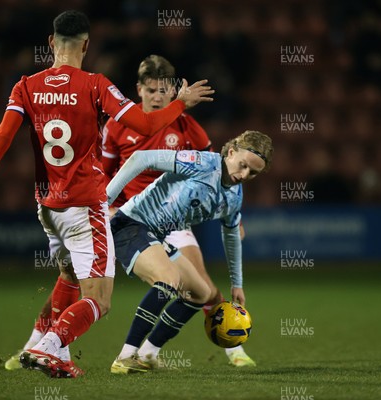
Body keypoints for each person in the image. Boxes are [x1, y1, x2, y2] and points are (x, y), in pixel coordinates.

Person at [0, 10, 213, 378]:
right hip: (84, 206)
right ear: (87, 46)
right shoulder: (95, 85)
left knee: (69, 277)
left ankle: (34, 344)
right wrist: (181, 102)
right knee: (100, 299)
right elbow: (146, 123)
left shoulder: (25, 85)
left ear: (50, 43)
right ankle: (52, 347)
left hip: (47, 208)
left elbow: (2, 136)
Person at [3, 54, 255, 370]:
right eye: (151, 91)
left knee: (203, 290)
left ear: (172, 90)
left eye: (164, 90)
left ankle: (231, 350)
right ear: (139, 89)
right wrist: (103, 205)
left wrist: (235, 218)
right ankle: (36, 344)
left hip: (173, 219)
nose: (158, 97)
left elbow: (216, 175)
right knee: (71, 278)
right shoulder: (119, 126)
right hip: (127, 212)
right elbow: (104, 170)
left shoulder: (188, 127)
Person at [107, 130, 272, 373]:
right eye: (243, 165)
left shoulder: (235, 196)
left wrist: (237, 284)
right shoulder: (202, 163)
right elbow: (141, 158)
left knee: (200, 293)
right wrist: (102, 203)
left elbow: (231, 235)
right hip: (131, 225)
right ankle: (125, 356)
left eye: (254, 172)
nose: (244, 175)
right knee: (168, 281)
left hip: (158, 236)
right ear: (231, 152)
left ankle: (148, 353)